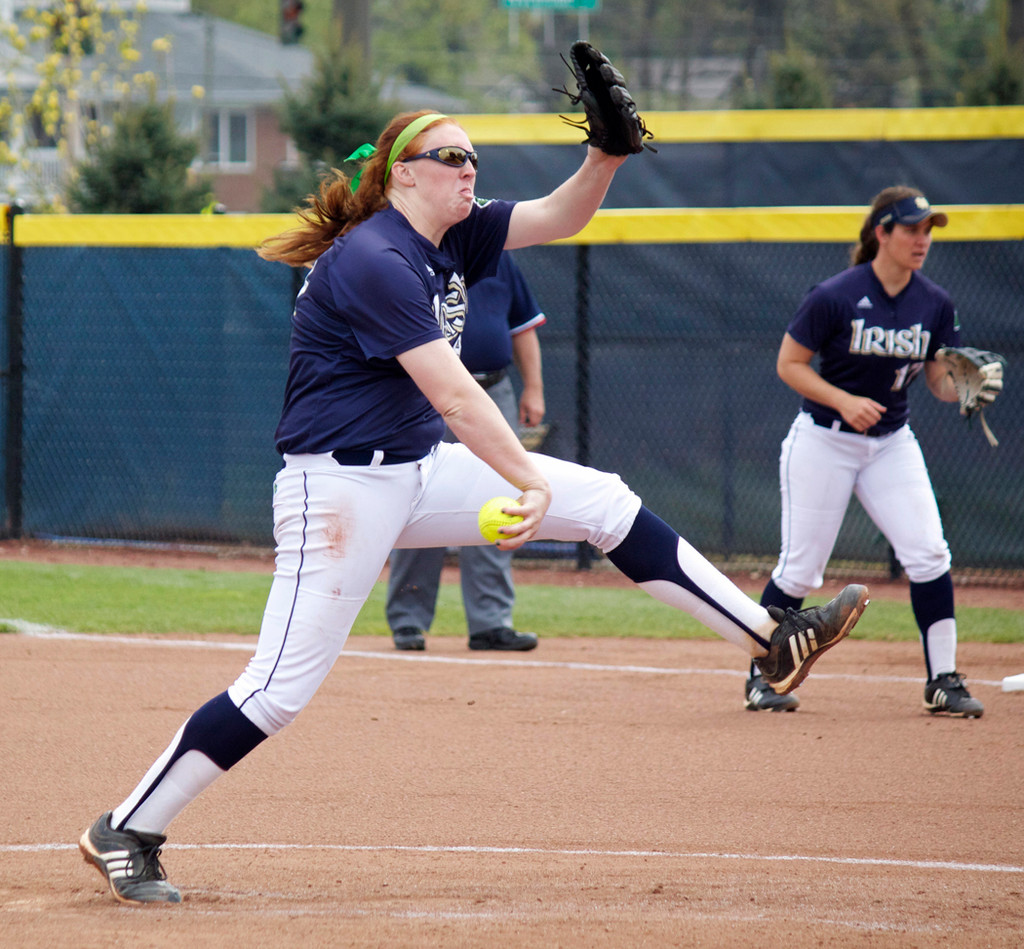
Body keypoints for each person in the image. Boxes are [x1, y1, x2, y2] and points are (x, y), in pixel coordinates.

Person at [78, 108, 870, 905]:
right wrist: (526, 477)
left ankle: (771, 639)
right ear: (402, 174)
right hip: (338, 488)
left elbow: (562, 215)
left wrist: (605, 157)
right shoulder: (375, 259)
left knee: (605, 502)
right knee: (279, 687)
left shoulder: (450, 234)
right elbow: (456, 396)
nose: (469, 169)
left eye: (474, 157)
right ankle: (128, 825)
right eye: (450, 155)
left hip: (416, 468)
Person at [745, 186, 993, 718]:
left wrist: (963, 387)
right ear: (881, 233)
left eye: (928, 230)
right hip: (823, 440)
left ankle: (943, 681)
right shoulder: (835, 294)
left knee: (929, 553)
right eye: (911, 229)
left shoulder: (935, 302)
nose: (922, 239)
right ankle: (762, 675)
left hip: (890, 445)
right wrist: (843, 399)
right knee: (801, 569)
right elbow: (790, 364)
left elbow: (936, 382)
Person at [387, 250, 546, 652]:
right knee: (419, 497)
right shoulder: (411, 257)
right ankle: (408, 620)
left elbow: (523, 327)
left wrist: (535, 388)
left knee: (501, 503)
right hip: (427, 394)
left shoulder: (498, 258)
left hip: (493, 391)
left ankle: (491, 622)